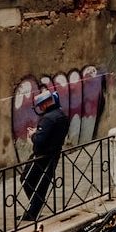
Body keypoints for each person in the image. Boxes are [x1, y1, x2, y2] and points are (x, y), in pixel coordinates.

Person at [21, 89, 70, 221]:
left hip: (42, 156)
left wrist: (33, 135)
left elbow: (40, 141)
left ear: (45, 104)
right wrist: (39, 131)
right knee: (42, 183)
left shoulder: (48, 118)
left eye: (41, 105)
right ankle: (34, 210)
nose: (40, 108)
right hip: (54, 154)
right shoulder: (61, 115)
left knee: (26, 180)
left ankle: (35, 207)